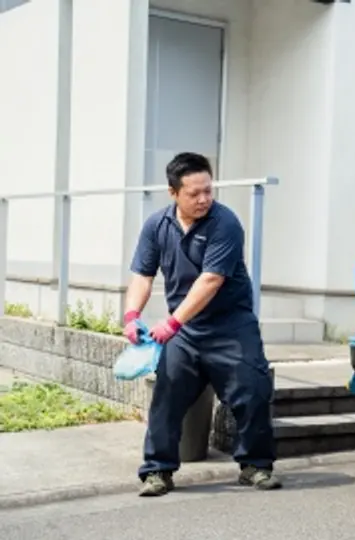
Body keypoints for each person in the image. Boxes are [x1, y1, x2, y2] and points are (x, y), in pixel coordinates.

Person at [123, 151, 282, 496]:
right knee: (166, 399)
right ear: (173, 193)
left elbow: (210, 281)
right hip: (185, 332)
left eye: (208, 190)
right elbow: (142, 275)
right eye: (194, 193)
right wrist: (132, 315)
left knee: (252, 393)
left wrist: (171, 323)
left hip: (231, 326)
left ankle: (255, 466)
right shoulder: (156, 226)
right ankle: (157, 471)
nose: (204, 199)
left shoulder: (225, 223)